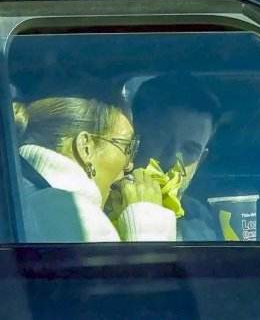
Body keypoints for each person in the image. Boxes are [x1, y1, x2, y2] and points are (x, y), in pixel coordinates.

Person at [15, 97, 176, 242]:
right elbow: (141, 275)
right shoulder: (77, 216)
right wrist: (147, 223)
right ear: (85, 147)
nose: (129, 165)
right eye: (128, 147)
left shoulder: (19, 189)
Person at [130, 73, 221, 241]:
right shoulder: (91, 214)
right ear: (132, 138)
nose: (171, 159)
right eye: (159, 138)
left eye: (189, 150)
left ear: (200, 161)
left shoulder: (199, 219)